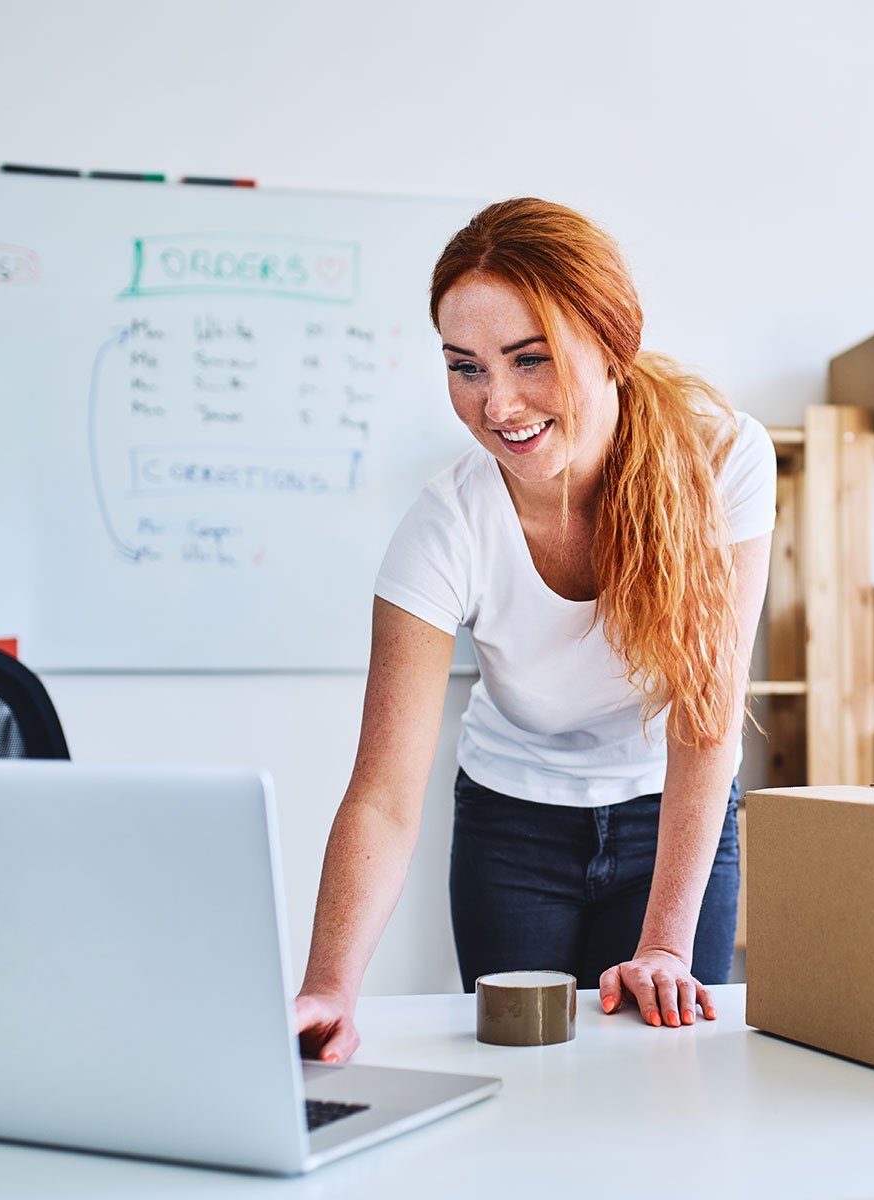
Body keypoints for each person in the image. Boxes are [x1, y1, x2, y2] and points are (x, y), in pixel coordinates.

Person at [295, 198, 774, 1062]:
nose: (498, 404)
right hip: (511, 827)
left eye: (530, 359)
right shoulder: (448, 524)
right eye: (465, 367)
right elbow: (382, 796)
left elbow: (707, 722)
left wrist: (664, 941)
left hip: (670, 815)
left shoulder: (722, 459)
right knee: (522, 1079)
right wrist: (329, 985)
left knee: (665, 1081)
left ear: (610, 342)